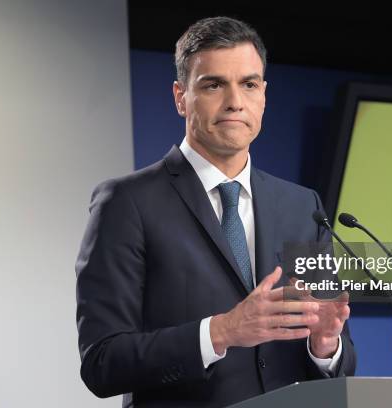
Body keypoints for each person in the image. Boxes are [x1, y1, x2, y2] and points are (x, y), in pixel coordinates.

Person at [75, 16, 355, 407]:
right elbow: (102, 363)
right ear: (180, 96)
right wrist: (221, 331)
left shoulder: (302, 207)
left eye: (249, 84)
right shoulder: (126, 203)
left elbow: (338, 359)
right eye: (213, 85)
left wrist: (324, 346)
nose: (235, 101)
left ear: (263, 97)